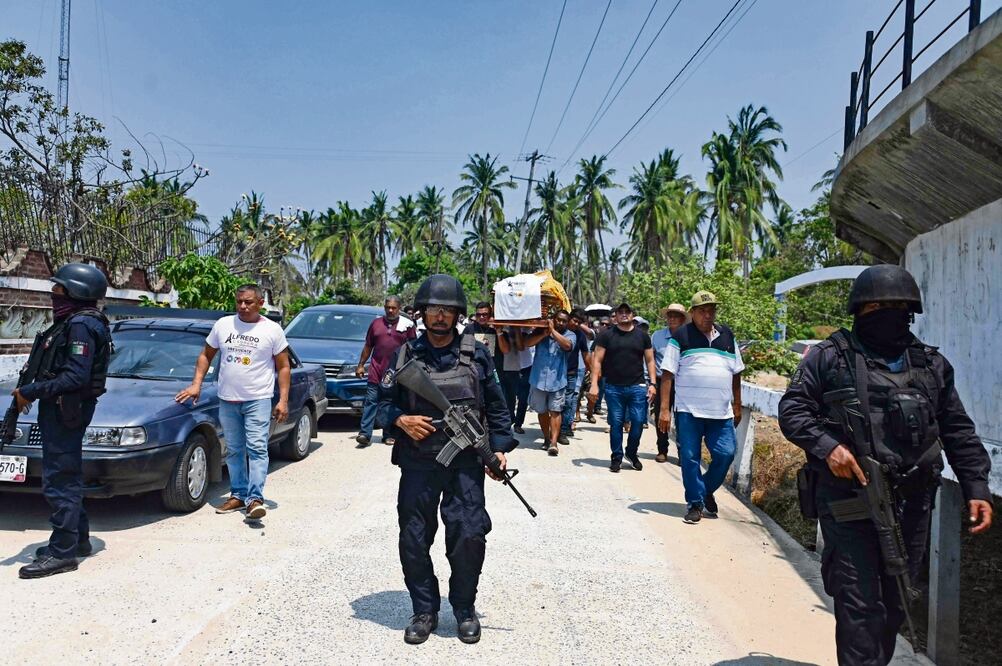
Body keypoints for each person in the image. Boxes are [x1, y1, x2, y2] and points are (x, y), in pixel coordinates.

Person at [778, 264, 993, 665]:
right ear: (861, 310)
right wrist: (829, 448)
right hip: (849, 502)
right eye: (879, 305)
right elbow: (792, 411)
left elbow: (957, 428)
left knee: (897, 600)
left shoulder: (931, 365)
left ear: (910, 312)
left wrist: (975, 487)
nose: (889, 313)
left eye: (898, 306)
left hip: (912, 503)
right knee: (859, 602)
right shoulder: (830, 358)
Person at [377, 274, 517, 645]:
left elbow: (499, 409)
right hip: (419, 464)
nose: (441, 316)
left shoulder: (478, 354)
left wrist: (498, 449)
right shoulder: (405, 355)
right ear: (422, 313)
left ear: (458, 315)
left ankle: (464, 608)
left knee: (469, 535)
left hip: (466, 463)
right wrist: (399, 420)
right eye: (434, 309)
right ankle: (424, 610)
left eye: (449, 310)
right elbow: (381, 403)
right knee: (414, 537)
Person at [14, 263, 113, 579]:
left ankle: (62, 553)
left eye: (58, 289)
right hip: (62, 409)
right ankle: (77, 541)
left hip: (65, 410)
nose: (53, 294)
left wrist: (30, 391)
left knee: (60, 481)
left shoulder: (81, 326)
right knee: (66, 476)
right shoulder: (73, 322)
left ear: (75, 292)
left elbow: (74, 376)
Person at [176, 284, 291, 520]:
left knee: (257, 448)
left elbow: (283, 366)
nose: (242, 306)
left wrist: (284, 400)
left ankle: (255, 499)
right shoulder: (223, 325)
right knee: (235, 450)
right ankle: (238, 495)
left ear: (260, 303)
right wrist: (196, 384)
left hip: (258, 399)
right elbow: (206, 355)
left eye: (248, 302)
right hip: (228, 400)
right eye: (239, 301)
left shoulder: (272, 330)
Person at [658, 291, 742, 524]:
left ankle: (704, 491)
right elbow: (667, 374)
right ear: (692, 313)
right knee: (690, 457)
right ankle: (695, 504)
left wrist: (737, 403)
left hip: (721, 412)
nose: (708, 315)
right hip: (689, 411)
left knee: (726, 454)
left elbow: (737, 373)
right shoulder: (682, 336)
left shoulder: (727, 336)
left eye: (711, 310)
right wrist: (664, 409)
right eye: (702, 311)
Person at [589, 303, 656, 473]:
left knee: (639, 422)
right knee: (616, 423)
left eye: (628, 312)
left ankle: (631, 453)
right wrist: (594, 384)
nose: (624, 314)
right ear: (616, 316)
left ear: (633, 315)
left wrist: (653, 384)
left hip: (637, 386)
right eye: (621, 312)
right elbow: (597, 359)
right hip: (613, 388)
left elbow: (650, 361)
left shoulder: (642, 336)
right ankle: (616, 457)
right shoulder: (607, 335)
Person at [354, 295, 416, 447]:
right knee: (371, 402)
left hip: (396, 374)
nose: (390, 310)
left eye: (393, 308)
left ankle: (388, 434)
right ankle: (365, 434)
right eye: (388, 307)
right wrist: (361, 364)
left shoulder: (407, 326)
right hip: (376, 370)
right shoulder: (375, 324)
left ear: (399, 309)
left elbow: (414, 349)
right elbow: (368, 346)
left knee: (390, 404)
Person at [523, 311, 573, 456]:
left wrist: (552, 331)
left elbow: (567, 345)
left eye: (564, 321)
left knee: (555, 411)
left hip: (558, 381)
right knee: (542, 411)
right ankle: (546, 438)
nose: (561, 323)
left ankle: (554, 442)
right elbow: (527, 343)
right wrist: (544, 334)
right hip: (538, 379)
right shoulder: (540, 331)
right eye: (559, 320)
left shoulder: (570, 335)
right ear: (553, 319)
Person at [651, 303, 687, 463]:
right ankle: (662, 449)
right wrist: (650, 383)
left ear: (682, 319)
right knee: (661, 415)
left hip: (682, 384)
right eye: (670, 315)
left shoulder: (689, 336)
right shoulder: (657, 336)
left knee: (682, 419)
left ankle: (682, 452)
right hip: (661, 382)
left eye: (676, 316)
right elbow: (650, 360)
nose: (672, 318)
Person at [560, 308, 593, 441]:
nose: (576, 324)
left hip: (571, 372)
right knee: (556, 403)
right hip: (557, 372)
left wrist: (591, 371)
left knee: (569, 402)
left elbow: (585, 354)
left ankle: (564, 429)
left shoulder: (580, 335)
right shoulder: (559, 331)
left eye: (579, 323)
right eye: (574, 321)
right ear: (569, 318)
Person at [498, 327, 533, 435]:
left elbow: (521, 346)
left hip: (525, 365)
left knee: (523, 398)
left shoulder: (528, 329)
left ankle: (518, 423)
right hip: (509, 367)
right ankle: (509, 420)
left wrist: (517, 329)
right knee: (509, 399)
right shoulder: (503, 328)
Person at [585, 316, 612, 422]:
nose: (604, 326)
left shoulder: (614, 336)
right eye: (602, 324)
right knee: (593, 392)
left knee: (609, 395)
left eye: (607, 324)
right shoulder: (600, 337)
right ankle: (590, 411)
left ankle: (611, 419)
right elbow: (592, 352)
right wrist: (593, 369)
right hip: (598, 369)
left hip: (610, 371)